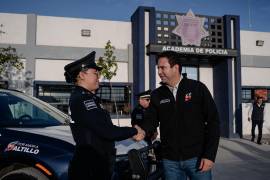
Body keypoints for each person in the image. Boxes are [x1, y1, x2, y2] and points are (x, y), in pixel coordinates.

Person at [64, 51, 145, 180]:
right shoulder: (83, 99)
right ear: (82, 75)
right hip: (90, 168)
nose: (99, 76)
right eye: (95, 73)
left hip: (95, 164)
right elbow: (107, 131)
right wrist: (134, 131)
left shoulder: (87, 97)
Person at [142, 51, 220, 180]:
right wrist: (142, 130)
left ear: (176, 67)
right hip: (170, 161)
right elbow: (151, 120)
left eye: (163, 67)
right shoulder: (157, 94)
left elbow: (213, 122)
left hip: (197, 159)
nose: (159, 72)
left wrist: (209, 155)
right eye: (158, 68)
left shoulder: (197, 88)